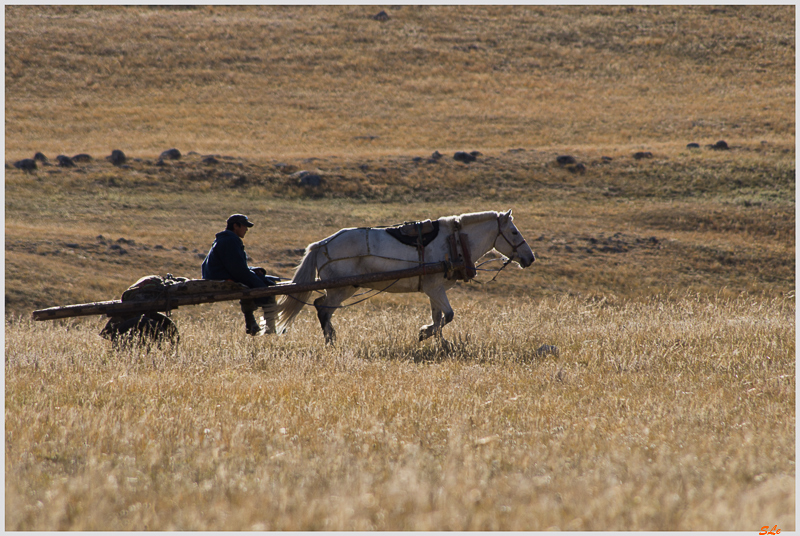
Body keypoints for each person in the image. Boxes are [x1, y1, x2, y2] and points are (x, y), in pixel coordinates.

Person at [202, 214, 279, 335]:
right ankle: (270, 328)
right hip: (221, 277)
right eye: (244, 226)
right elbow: (238, 270)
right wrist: (259, 283)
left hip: (217, 274)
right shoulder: (230, 240)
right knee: (268, 289)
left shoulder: (225, 239)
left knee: (260, 280)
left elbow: (235, 266)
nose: (246, 229)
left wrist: (254, 271)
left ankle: (252, 323)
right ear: (235, 226)